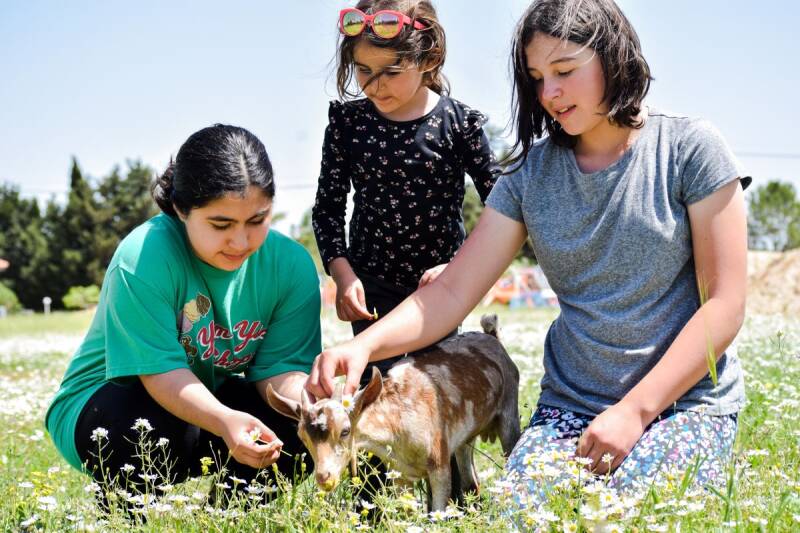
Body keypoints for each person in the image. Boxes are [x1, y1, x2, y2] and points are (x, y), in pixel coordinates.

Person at [306, 0, 749, 510]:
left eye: (564, 71)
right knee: (523, 513)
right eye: (537, 78)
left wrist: (634, 412)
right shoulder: (529, 177)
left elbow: (726, 303)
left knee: (636, 510)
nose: (549, 93)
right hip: (571, 409)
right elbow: (449, 293)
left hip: (682, 406)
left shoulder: (690, 149)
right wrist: (364, 348)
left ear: (614, 56)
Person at [45, 125, 321, 508]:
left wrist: (314, 406)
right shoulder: (143, 257)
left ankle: (224, 517)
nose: (241, 242)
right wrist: (225, 421)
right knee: (142, 429)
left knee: (299, 428)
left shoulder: (291, 267)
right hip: (110, 404)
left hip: (204, 402)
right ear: (180, 209)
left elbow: (279, 371)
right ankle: (124, 515)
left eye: (257, 220)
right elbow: (160, 373)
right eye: (220, 225)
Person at [312, 0, 502, 354]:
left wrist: (457, 267)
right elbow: (327, 211)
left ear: (428, 59)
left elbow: (504, 205)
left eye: (392, 71)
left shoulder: (459, 124)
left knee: (430, 390)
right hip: (370, 284)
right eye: (363, 69)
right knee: (381, 394)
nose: (375, 85)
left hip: (440, 288)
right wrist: (343, 275)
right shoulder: (347, 125)